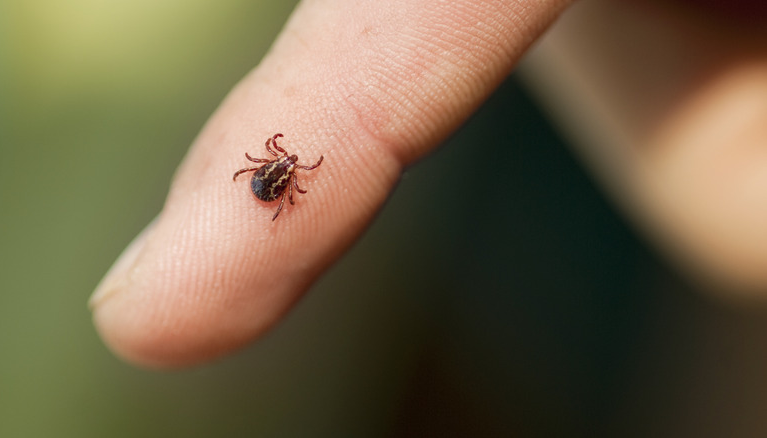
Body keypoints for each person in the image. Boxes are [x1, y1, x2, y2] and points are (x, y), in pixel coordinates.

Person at [89, 0, 767, 368]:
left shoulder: (278, 171)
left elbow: (268, 175)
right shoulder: (284, 171)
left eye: (278, 169)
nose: (280, 171)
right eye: (279, 170)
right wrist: (275, 192)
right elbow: (275, 177)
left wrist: (269, 189)